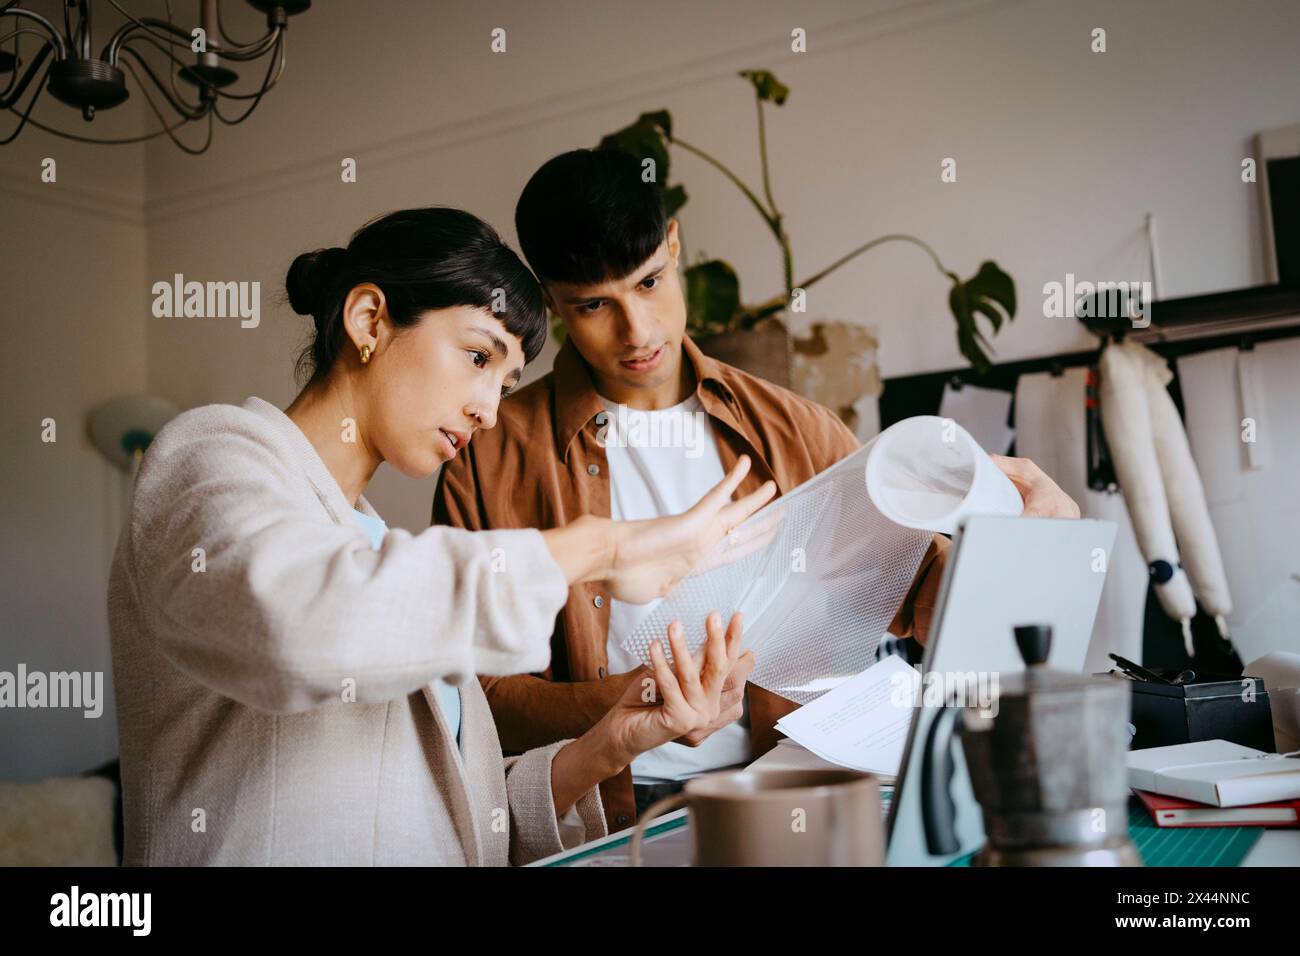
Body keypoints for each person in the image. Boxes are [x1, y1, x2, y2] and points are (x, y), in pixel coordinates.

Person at [432, 150, 1081, 830]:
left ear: (674, 244)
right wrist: (626, 705)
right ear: (551, 298)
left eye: (650, 283)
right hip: (605, 814)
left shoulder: (797, 428)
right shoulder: (487, 458)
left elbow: (921, 599)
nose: (637, 331)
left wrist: (1017, 551)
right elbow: (477, 701)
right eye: (594, 306)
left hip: (796, 794)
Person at [107, 206, 775, 866]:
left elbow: (459, 819)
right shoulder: (212, 457)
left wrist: (615, 742)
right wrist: (598, 546)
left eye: (506, 379)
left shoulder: (385, 556)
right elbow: (293, 627)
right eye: (477, 355)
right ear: (369, 320)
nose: (487, 409)